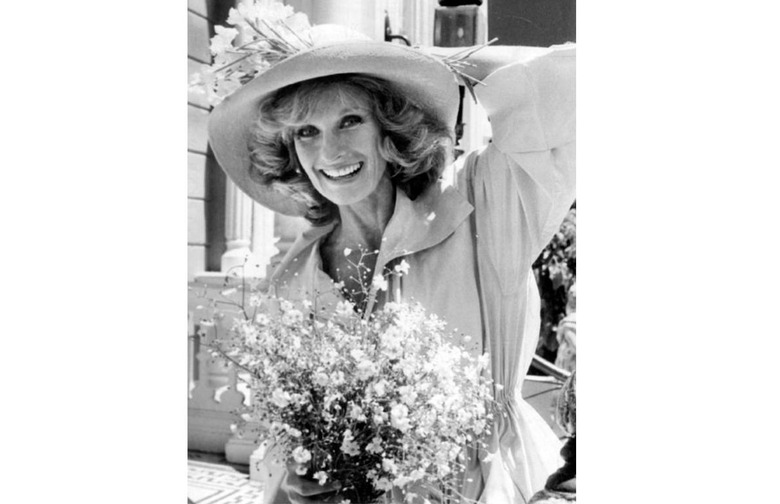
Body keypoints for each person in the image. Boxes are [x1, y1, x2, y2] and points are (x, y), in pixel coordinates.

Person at [207, 16, 575, 504]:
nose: (330, 152)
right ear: (291, 151)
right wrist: (299, 484)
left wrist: (421, 62)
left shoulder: (479, 203)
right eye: (307, 132)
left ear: (389, 128)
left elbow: (572, 91)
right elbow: (292, 451)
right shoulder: (293, 277)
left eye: (350, 120)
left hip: (493, 487)